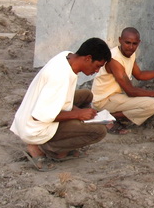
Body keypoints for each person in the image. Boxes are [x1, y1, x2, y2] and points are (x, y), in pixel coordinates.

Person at [10, 37, 112, 169]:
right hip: (34, 128)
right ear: (87, 58)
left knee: (86, 95)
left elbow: (61, 100)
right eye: (97, 66)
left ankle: (67, 138)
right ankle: (47, 147)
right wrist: (78, 115)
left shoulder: (66, 56)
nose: (97, 71)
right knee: (99, 131)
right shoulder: (59, 77)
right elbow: (40, 116)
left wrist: (84, 114)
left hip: (33, 113)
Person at [91, 27, 154, 130]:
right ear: (120, 40)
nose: (131, 47)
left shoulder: (130, 54)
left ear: (139, 43)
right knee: (152, 104)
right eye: (127, 43)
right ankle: (108, 117)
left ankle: (112, 116)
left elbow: (140, 75)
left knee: (150, 102)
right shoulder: (114, 60)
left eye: (134, 44)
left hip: (115, 97)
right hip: (102, 101)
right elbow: (130, 91)